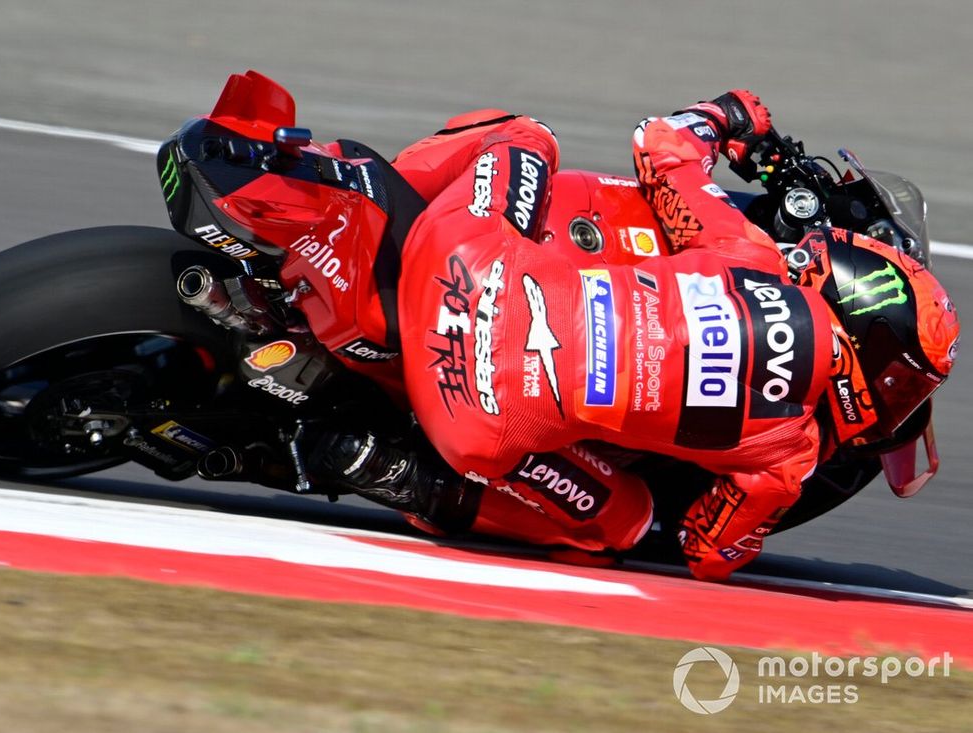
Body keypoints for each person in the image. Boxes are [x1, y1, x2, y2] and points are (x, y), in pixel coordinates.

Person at [306, 90, 961, 580]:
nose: (897, 402)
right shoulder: (787, 462)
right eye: (900, 384)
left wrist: (732, 118)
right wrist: (742, 527)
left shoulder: (749, 256)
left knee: (526, 135)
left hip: (460, 263)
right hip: (475, 425)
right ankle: (404, 477)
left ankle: (351, 186)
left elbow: (661, 142)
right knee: (629, 525)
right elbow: (706, 552)